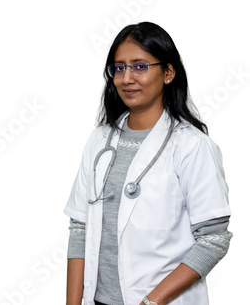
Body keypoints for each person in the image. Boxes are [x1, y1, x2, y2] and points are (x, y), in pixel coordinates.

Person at [64, 21, 232, 305]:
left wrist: (150, 302)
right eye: (119, 67)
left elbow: (213, 240)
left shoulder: (192, 146)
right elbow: (79, 228)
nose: (127, 78)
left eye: (140, 66)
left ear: (168, 73)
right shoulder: (99, 140)